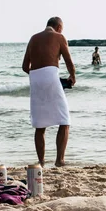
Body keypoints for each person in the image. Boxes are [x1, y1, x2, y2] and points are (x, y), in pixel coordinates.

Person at [22, 16, 75, 167]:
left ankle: (41, 161)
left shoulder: (33, 38)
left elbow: (25, 66)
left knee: (40, 124)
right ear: (59, 27)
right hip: (51, 76)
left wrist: (38, 74)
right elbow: (68, 61)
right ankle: (59, 160)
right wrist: (72, 76)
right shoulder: (59, 37)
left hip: (35, 79)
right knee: (64, 120)